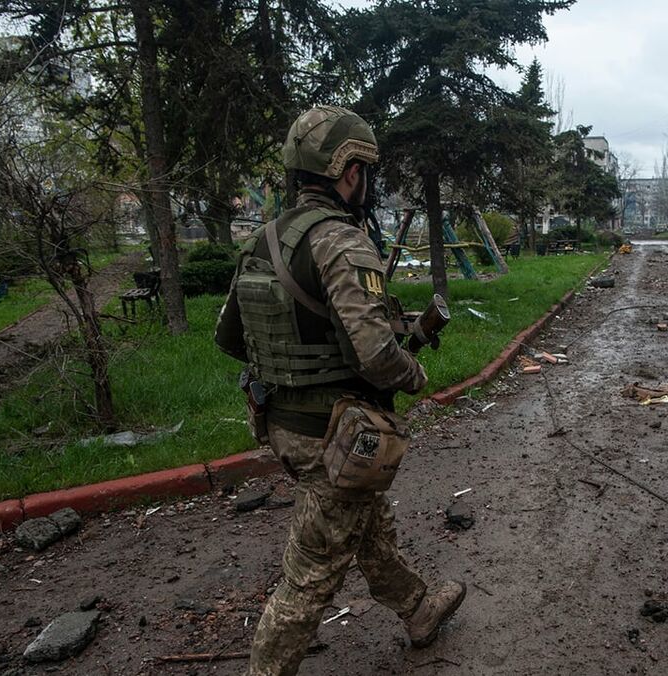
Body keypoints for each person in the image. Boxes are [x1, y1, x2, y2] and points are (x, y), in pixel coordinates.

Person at [215, 106, 465, 676]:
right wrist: (415, 375)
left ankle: (419, 608)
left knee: (365, 520)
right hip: (335, 433)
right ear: (349, 172)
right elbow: (377, 357)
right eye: (365, 172)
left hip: (280, 421)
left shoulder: (263, 241)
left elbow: (229, 338)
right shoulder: (342, 243)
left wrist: (300, 358)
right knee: (309, 577)